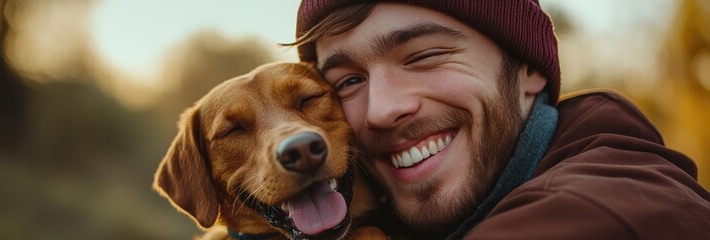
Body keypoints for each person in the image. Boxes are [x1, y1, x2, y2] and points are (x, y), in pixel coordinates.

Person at [288, 1, 710, 239]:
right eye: (348, 82)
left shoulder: (603, 213)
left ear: (528, 67)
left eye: (423, 56)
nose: (381, 109)